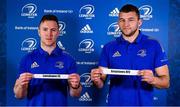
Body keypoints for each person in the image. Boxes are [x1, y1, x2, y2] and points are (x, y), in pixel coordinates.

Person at [91, 4, 170, 106]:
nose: (126, 24)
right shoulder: (108, 47)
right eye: (122, 20)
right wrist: (97, 79)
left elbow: (166, 82)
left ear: (139, 22)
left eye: (131, 20)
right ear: (118, 23)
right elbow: (101, 83)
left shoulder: (153, 45)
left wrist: (153, 79)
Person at [13, 14, 82, 106]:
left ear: (58, 32)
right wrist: (21, 85)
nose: (49, 34)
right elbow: (19, 95)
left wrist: (76, 86)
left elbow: (75, 94)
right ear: (39, 32)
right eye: (45, 29)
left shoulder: (68, 59)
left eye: (53, 30)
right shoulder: (27, 59)